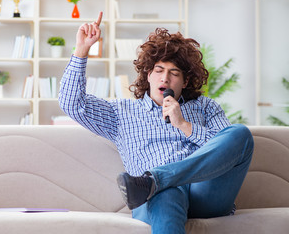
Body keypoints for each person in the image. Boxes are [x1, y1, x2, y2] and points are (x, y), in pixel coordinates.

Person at [59, 12, 254, 234]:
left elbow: (229, 151)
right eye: (159, 71)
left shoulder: (205, 107)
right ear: (148, 74)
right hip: (155, 199)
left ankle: (155, 179)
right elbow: (72, 104)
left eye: (174, 73)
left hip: (205, 195)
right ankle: (157, 183)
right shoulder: (122, 113)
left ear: (185, 81)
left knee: (240, 133)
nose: (165, 79)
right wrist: (81, 51)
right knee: (166, 192)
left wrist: (184, 125)